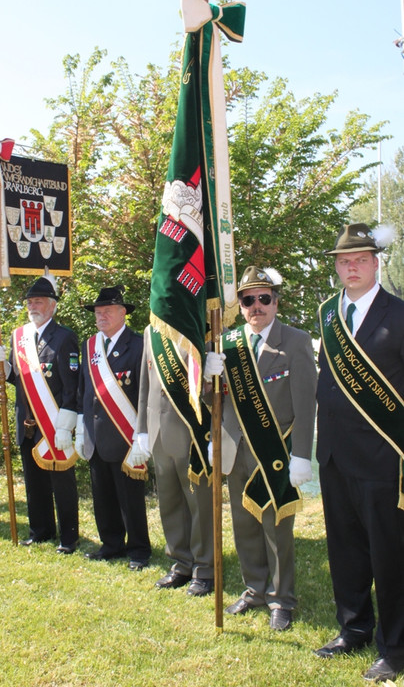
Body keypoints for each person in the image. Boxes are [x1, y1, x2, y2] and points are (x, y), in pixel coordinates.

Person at [314, 223, 404, 683]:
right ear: (336, 267)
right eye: (345, 261)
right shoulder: (328, 314)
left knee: (389, 556)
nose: (352, 268)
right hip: (334, 455)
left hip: (382, 459)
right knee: (345, 551)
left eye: (361, 260)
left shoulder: (399, 314)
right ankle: (353, 629)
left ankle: (395, 646)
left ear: (375, 263)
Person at [205, 265, 316, 631]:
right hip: (236, 449)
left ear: (276, 302)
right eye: (248, 300)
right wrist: (208, 376)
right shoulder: (228, 343)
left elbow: (306, 405)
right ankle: (254, 588)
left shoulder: (295, 341)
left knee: (276, 527)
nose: (256, 306)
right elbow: (213, 401)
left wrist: (302, 454)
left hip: (276, 451)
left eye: (263, 298)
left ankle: (281, 599)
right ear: (240, 306)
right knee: (244, 524)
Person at [0, 275, 80, 551]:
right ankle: (40, 530)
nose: (33, 307)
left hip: (53, 422)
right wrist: (2, 365)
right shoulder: (20, 337)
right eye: (30, 302)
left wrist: (65, 425)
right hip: (27, 421)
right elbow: (17, 380)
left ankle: (69, 537)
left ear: (52, 305)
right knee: (34, 482)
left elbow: (71, 386)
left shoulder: (64, 337)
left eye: (38, 302)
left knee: (62, 483)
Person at [133, 324, 214, 595]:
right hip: (158, 429)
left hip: (193, 430)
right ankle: (181, 563)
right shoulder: (151, 331)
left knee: (199, 502)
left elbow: (216, 387)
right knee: (169, 501)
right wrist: (141, 428)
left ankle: (204, 568)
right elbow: (145, 383)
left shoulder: (204, 326)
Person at [76, 284, 151, 570]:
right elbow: (84, 390)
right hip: (96, 436)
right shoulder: (90, 346)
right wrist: (81, 428)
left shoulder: (138, 344)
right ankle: (111, 544)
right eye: (98, 312)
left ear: (123, 313)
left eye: (107, 311)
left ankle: (139, 550)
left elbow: (145, 393)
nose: (101, 316)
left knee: (130, 499)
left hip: (125, 435)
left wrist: (143, 433)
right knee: (103, 496)